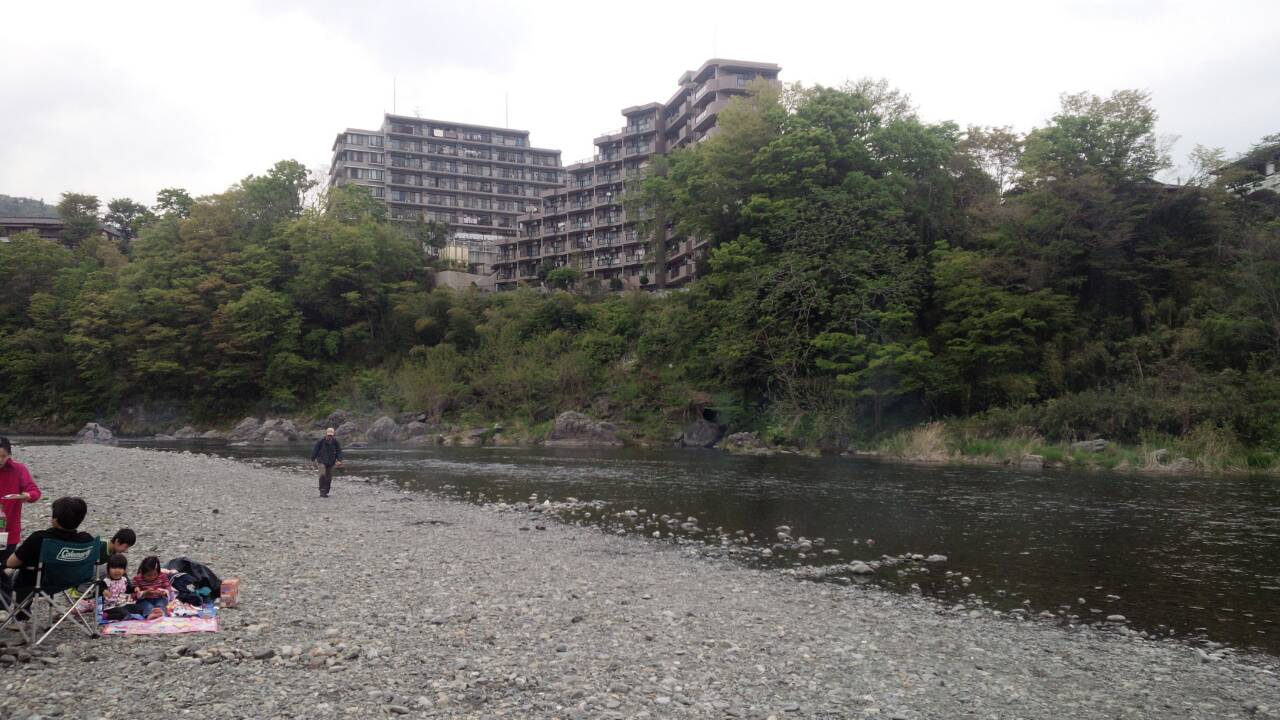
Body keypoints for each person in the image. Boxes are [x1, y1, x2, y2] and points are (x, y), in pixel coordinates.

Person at [5, 496, 93, 619]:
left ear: (55, 520)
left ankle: (17, 615)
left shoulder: (40, 538)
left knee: (16, 572)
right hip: (70, 581)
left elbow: (11, 562)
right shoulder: (86, 539)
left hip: (39, 584)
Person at [0, 436, 42, 563]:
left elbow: (35, 491)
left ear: (10, 455)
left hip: (9, 531)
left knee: (5, 569)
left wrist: (27, 496)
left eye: (4, 456)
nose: (0, 460)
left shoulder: (18, 469)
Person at [132, 555, 170, 620]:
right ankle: (150, 615)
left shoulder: (162, 576)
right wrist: (144, 593)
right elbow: (133, 595)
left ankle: (161, 614)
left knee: (160, 604)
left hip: (159, 598)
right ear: (142, 572)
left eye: (155, 574)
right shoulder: (137, 579)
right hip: (144, 600)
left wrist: (162, 593)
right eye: (148, 575)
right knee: (147, 606)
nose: (152, 577)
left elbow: (168, 589)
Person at [310, 427, 344, 498]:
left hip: (331, 462)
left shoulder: (335, 442)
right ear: (326, 434)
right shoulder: (320, 441)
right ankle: (322, 491)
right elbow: (315, 450)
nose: (330, 436)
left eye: (331, 435)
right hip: (321, 461)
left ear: (333, 435)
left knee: (329, 478)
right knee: (322, 475)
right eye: (328, 435)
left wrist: (339, 460)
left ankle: (326, 491)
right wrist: (312, 459)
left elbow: (339, 452)